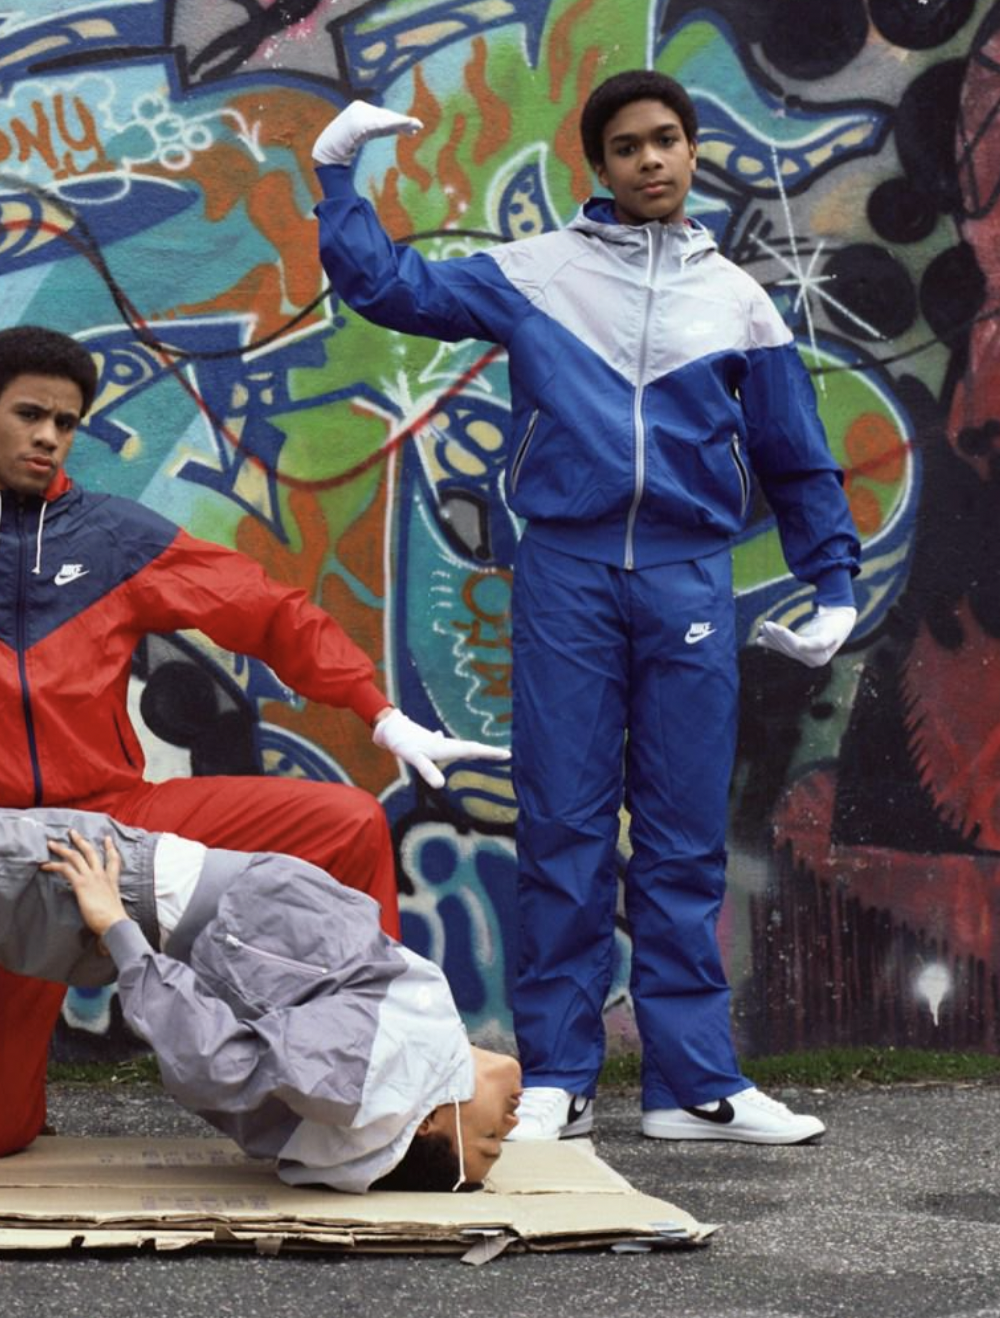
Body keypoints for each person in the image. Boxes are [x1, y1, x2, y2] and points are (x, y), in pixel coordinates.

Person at [0, 327, 509, 1160]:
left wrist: (378, 711)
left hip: (120, 825)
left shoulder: (114, 537)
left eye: (66, 422)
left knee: (345, 823)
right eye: (29, 414)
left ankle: (391, 1071)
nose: (49, 436)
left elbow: (266, 609)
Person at [311, 70, 859, 1145]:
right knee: (562, 824)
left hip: (689, 576)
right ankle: (559, 1076)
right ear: (599, 165)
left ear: (692, 150)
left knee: (684, 833)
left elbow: (795, 455)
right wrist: (336, 175)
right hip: (567, 570)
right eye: (626, 145)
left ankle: (693, 1087)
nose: (650, 158)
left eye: (666, 139)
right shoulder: (537, 272)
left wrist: (833, 579)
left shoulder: (739, 300)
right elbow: (388, 287)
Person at [0, 794, 522, 1208]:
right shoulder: (404, 1034)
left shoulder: (379, 1069)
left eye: (488, 1140)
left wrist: (115, 926)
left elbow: (221, 1065)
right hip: (127, 871)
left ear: (428, 1119)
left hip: (111, 883)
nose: (510, 1127)